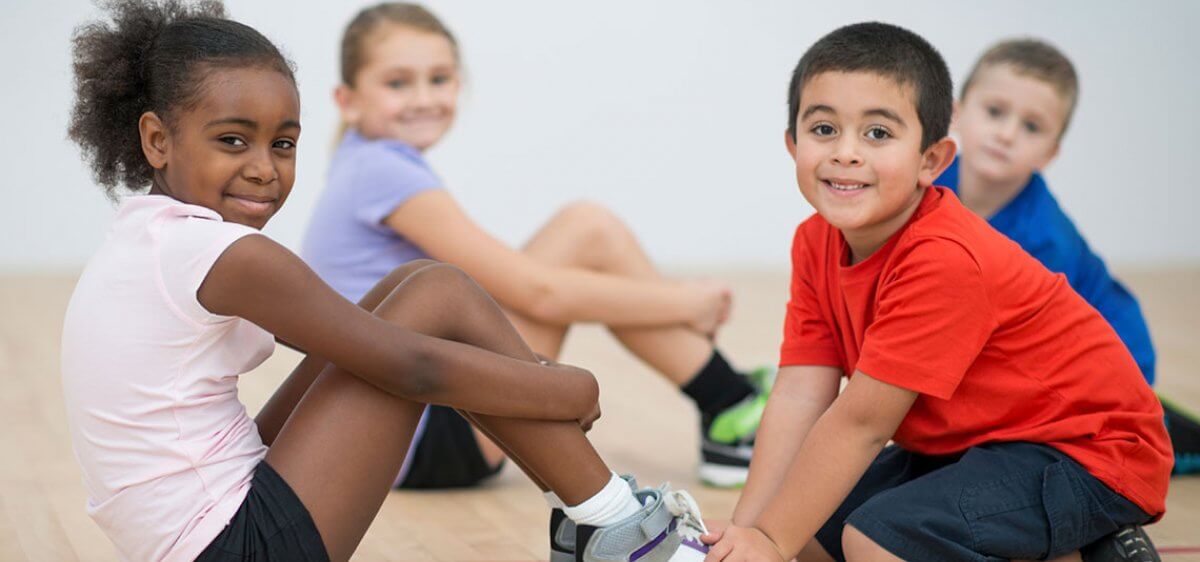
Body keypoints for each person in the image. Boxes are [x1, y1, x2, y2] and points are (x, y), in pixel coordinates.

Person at [61, 2, 708, 560]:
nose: (264, 169)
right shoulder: (223, 254)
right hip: (233, 546)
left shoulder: (150, 238)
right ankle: (619, 528)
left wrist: (540, 384)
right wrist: (561, 387)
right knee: (439, 296)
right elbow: (414, 369)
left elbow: (350, 348)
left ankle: (600, 520)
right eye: (234, 140)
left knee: (422, 284)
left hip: (210, 527)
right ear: (157, 140)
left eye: (283, 144)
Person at [703, 22, 1170, 562]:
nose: (846, 152)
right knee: (803, 530)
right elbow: (799, 396)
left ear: (932, 160)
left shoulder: (944, 257)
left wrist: (768, 541)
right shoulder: (814, 241)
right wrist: (747, 533)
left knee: (873, 541)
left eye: (878, 133)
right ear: (793, 144)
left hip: (1087, 453)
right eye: (824, 129)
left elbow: (863, 422)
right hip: (975, 442)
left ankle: (1090, 547)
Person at [301, 2, 768, 490]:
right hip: (423, 437)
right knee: (587, 233)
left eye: (438, 79)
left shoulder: (365, 162)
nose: (423, 98)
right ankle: (730, 407)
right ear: (348, 100)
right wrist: (687, 302)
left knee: (587, 229)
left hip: (412, 421)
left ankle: (729, 401)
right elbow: (538, 294)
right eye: (398, 83)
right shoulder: (384, 171)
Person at [940, 37, 1200, 476]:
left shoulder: (1044, 240)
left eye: (1031, 127)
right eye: (995, 112)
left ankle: (1156, 432)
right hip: (1044, 356)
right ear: (957, 113)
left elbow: (1024, 350)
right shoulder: (928, 182)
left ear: (1050, 152)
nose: (1007, 134)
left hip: (1112, 359)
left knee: (1063, 448)